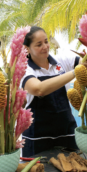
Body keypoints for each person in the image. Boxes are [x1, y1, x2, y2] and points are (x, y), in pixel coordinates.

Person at [21, 26, 82, 157]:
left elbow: (82, 62)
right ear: (27, 48)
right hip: (37, 137)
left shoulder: (60, 62)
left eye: (46, 41)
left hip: (66, 131)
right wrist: (75, 72)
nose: (45, 46)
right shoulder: (25, 69)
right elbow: (39, 89)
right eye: (39, 44)